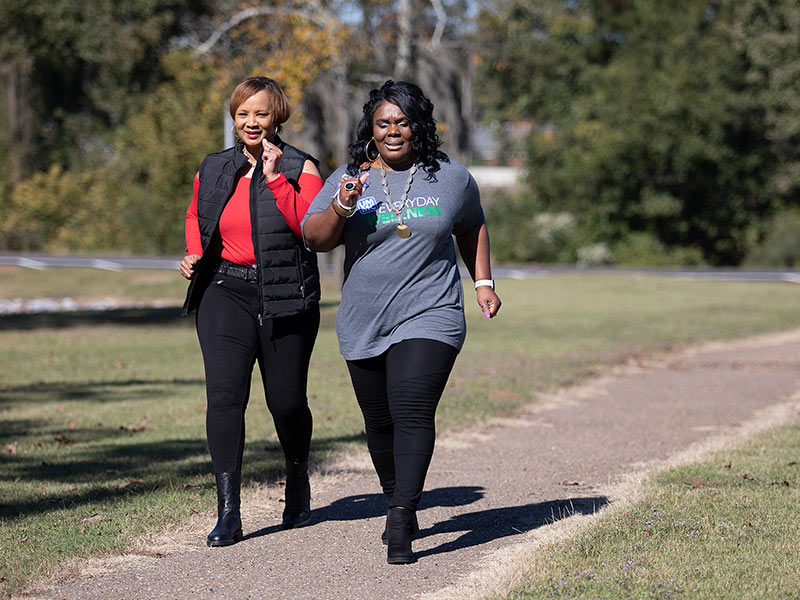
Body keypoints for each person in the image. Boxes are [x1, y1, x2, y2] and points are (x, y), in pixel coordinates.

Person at [301, 80, 501, 564]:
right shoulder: (349, 178)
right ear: (371, 129)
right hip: (364, 318)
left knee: (411, 407)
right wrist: (342, 204)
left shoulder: (450, 177)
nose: (394, 131)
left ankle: (399, 516)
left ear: (419, 126)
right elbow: (314, 237)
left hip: (431, 311)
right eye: (384, 123)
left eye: (403, 122)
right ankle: (399, 498)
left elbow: (472, 225)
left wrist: (482, 282)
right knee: (379, 420)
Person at [180, 76, 324, 547]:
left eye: (260, 113)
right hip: (224, 291)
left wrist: (276, 176)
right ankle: (228, 512)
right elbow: (196, 214)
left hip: (285, 298)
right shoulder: (214, 166)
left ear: (276, 115)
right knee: (224, 398)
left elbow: (310, 226)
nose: (251, 122)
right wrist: (193, 252)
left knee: (285, 402)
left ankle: (297, 481)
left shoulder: (302, 167)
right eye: (243, 113)